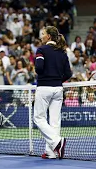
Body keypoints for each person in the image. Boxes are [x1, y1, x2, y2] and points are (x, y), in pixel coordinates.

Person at [33, 26, 72, 159]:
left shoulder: (41, 50)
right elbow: (68, 73)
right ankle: (51, 152)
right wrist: (56, 79)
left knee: (38, 118)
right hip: (58, 89)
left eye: (43, 34)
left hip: (44, 87)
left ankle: (57, 142)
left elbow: (39, 67)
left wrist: (43, 75)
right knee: (55, 121)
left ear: (48, 36)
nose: (41, 36)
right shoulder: (62, 52)